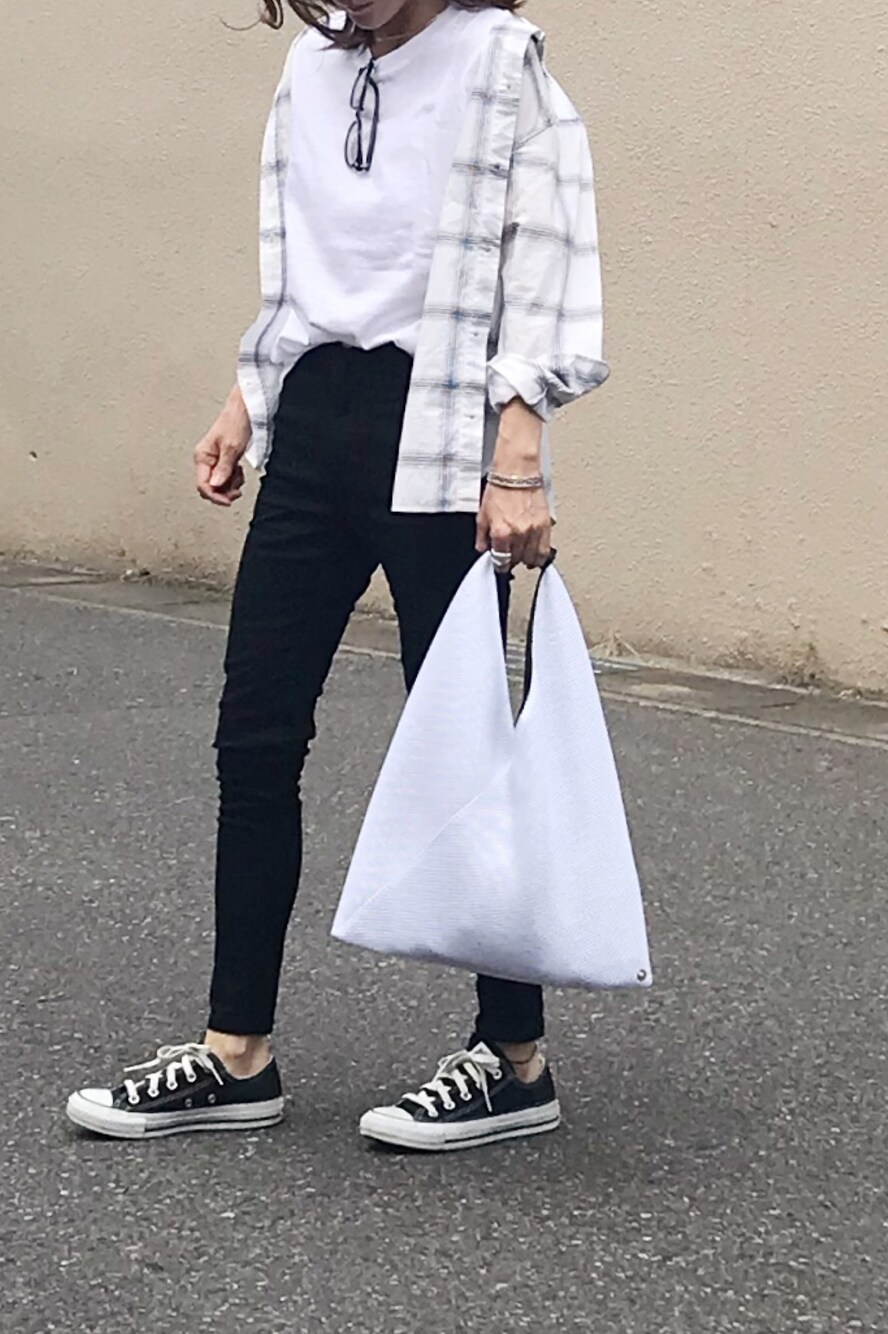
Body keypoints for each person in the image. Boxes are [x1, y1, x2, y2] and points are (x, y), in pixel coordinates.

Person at [66, 0, 608, 1151]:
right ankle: (236, 1053)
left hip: (439, 423)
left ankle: (514, 1059)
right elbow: (301, 271)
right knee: (255, 733)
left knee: (463, 735)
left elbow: (548, 252)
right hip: (315, 417)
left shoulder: (497, 60)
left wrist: (519, 449)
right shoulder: (307, 69)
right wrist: (247, 398)